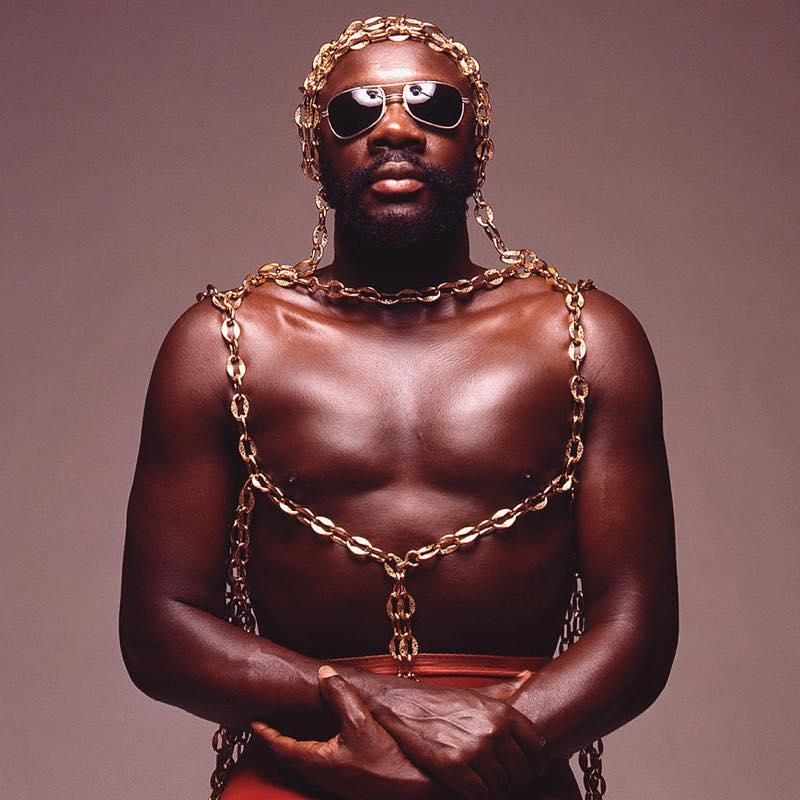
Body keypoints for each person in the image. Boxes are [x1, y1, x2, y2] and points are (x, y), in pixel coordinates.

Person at [120, 15, 678, 800]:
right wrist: (394, 712)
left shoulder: (587, 336)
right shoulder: (222, 341)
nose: (394, 130)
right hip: (304, 769)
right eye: (356, 110)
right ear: (316, 149)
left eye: (431, 104)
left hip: (508, 765)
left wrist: (483, 745)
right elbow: (160, 630)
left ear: (477, 141)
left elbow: (637, 628)